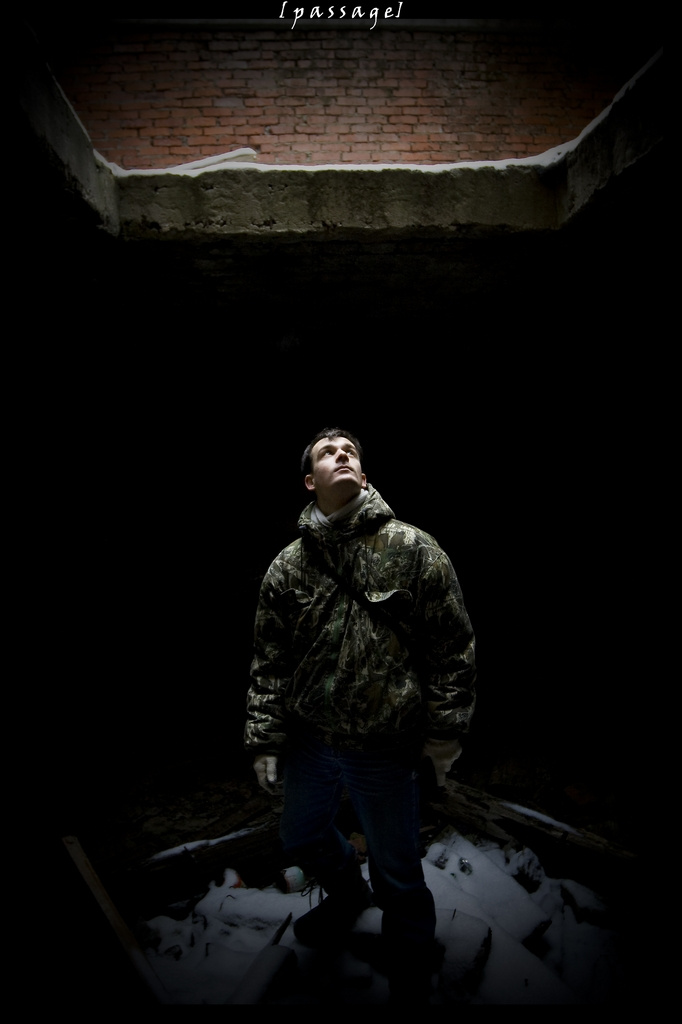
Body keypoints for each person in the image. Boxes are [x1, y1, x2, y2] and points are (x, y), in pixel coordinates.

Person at [244, 427, 476, 1004]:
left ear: (364, 476)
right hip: (312, 741)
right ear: (310, 480)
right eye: (328, 452)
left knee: (398, 871)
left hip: (383, 744)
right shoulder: (289, 567)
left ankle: (410, 966)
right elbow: (270, 660)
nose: (342, 454)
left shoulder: (412, 548)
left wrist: (445, 733)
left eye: (350, 451)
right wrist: (266, 737)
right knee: (300, 834)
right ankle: (348, 896)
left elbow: (453, 645)